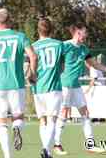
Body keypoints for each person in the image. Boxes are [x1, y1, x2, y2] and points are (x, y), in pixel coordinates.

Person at [0, 8, 37, 158]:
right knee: (18, 117)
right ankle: (16, 128)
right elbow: (33, 56)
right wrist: (32, 74)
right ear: (10, 20)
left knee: (1, 122)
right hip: (17, 85)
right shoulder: (20, 37)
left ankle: (8, 156)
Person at [53, 22, 106, 155]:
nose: (86, 35)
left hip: (76, 86)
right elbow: (54, 62)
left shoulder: (84, 49)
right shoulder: (64, 46)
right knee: (63, 113)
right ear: (77, 32)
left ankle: (90, 145)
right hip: (64, 85)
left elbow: (95, 64)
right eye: (84, 32)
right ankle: (56, 144)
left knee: (85, 113)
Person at [29, 18, 63, 158]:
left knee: (42, 120)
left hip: (38, 87)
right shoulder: (59, 44)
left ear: (38, 30)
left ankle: (46, 151)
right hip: (54, 87)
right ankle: (46, 150)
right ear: (52, 30)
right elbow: (62, 67)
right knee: (52, 120)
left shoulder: (33, 46)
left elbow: (31, 68)